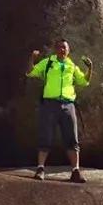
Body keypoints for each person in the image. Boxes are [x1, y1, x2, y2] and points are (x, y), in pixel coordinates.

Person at [25, 38, 93, 183]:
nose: (63, 50)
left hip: (68, 105)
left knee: (72, 139)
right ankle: (40, 169)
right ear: (56, 49)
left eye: (65, 48)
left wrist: (90, 69)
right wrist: (32, 58)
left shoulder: (72, 66)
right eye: (60, 47)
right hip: (50, 104)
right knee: (46, 136)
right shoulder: (48, 63)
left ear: (68, 51)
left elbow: (84, 82)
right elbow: (30, 73)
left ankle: (75, 171)